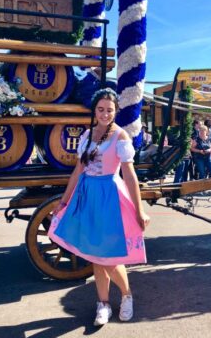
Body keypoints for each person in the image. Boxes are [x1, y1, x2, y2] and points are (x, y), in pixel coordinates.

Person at [48, 88, 150, 326]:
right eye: (101, 109)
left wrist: (139, 209)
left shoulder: (120, 136)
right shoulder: (86, 135)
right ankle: (102, 303)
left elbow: (129, 175)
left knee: (110, 257)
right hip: (87, 196)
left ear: (115, 111)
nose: (105, 114)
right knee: (95, 255)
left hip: (109, 198)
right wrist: (64, 200)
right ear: (94, 110)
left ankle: (126, 296)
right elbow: (78, 170)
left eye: (109, 110)